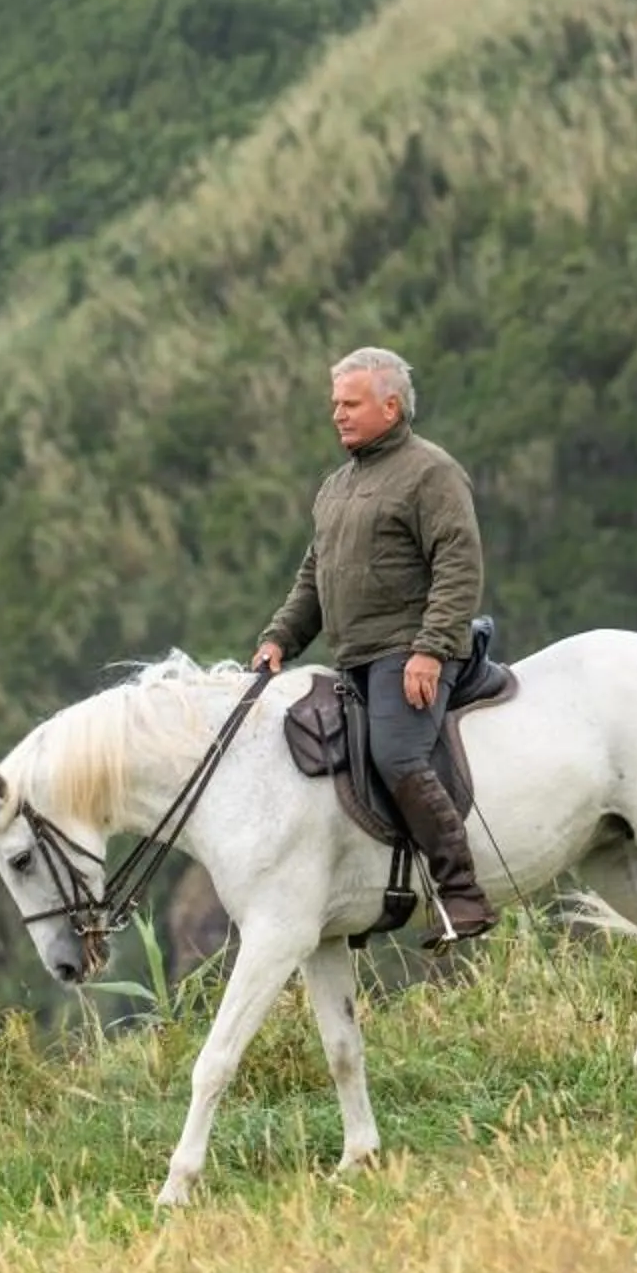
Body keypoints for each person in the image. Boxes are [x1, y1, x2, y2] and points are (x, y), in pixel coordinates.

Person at [254, 346, 494, 943]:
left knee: (397, 755)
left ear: (391, 406)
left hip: (409, 653)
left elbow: (459, 563)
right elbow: (315, 576)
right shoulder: (335, 487)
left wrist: (432, 649)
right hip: (354, 658)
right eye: (335, 403)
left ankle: (461, 893)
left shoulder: (431, 472)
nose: (337, 414)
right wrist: (280, 638)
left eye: (350, 403)